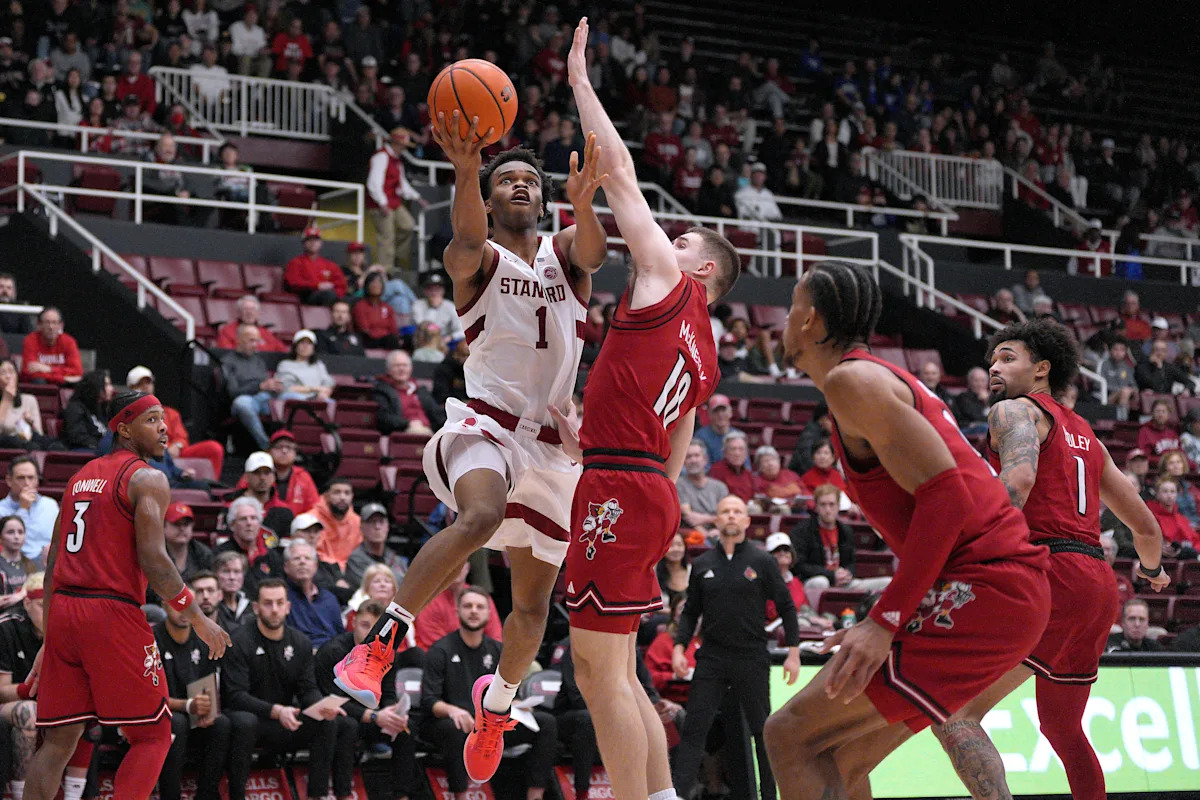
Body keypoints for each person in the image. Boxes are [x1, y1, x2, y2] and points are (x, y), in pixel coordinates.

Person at [333, 85, 609, 798]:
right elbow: (460, 242)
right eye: (504, 180)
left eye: (529, 181)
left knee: (532, 607)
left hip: (552, 449)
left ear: (544, 200)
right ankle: (381, 644)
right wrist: (464, 169)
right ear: (487, 200)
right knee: (480, 515)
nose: (519, 186)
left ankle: (498, 706)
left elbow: (595, 251)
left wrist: (584, 203)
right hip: (484, 423)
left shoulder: (566, 255)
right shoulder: (476, 261)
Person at [762, 261, 1052, 800]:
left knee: (788, 736)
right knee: (839, 759)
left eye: (792, 306)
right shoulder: (865, 380)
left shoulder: (853, 380)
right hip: (999, 587)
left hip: (988, 585)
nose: (783, 318)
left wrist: (884, 620)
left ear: (810, 320)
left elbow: (949, 497)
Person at [554, 20, 742, 800]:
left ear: (701, 269)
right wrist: (596, 447)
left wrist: (580, 83)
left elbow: (621, 170)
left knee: (597, 676)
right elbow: (673, 445)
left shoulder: (668, 278)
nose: (666, 238)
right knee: (621, 668)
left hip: (621, 491)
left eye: (682, 237)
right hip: (644, 487)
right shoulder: (708, 352)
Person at [917, 318, 1170, 800]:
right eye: (992, 359)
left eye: (1007, 357)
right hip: (1097, 586)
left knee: (954, 712)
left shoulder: (1013, 411)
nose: (994, 367)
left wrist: (964, 552)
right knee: (1062, 728)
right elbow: (1147, 530)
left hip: (1047, 573)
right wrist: (1153, 571)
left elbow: (1019, 480)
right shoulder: (1088, 437)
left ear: (1042, 369)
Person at [23, 391, 231, 800]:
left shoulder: (80, 477)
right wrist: (198, 618)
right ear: (124, 429)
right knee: (154, 734)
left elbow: (53, 564)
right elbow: (155, 561)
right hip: (110, 612)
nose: (164, 428)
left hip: (64, 610)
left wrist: (50, 637)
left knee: (59, 741)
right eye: (151, 419)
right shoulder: (147, 478)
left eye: (163, 418)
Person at [671, 496, 800, 799]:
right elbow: (690, 612)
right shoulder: (702, 564)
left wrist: (793, 653)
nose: (731, 516)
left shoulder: (762, 561)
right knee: (694, 730)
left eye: (737, 511)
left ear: (746, 520)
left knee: (762, 731)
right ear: (716, 520)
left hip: (751, 657)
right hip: (712, 658)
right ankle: (677, 794)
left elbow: (786, 606)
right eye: (725, 512)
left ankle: (769, 795)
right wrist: (679, 647)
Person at [416, 585, 559, 800]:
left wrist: (517, 704)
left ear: (489, 613)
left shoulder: (498, 650)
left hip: (490, 724)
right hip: (455, 722)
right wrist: (452, 711)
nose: (474, 611)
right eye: (468, 606)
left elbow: (509, 693)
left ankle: (535, 796)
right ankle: (461, 796)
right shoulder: (440, 650)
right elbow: (429, 700)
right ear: (457, 611)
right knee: (455, 729)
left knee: (545, 723)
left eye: (479, 607)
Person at [221, 579, 356, 800]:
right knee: (245, 722)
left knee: (330, 722)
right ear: (256, 607)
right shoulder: (239, 640)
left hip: (285, 718)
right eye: (268, 603)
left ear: (288, 607)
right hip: (251, 717)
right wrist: (276, 711)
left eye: (279, 603)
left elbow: (307, 689)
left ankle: (318, 795)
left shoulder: (300, 642)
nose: (274, 609)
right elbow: (235, 696)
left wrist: (321, 706)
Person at [0, 573, 94, 800]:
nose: (50, 613)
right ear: (27, 603)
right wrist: (35, 687)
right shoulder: (7, 628)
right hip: (13, 704)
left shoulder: (71, 628)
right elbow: (2, 691)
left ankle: (73, 795)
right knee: (28, 712)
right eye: (43, 606)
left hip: (52, 702)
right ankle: (21, 793)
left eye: (55, 607)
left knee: (83, 712)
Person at [153, 584, 252, 800]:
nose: (183, 611)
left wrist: (208, 708)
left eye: (188, 605)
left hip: (192, 712)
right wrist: (187, 705)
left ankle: (207, 794)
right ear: (163, 605)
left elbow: (208, 684)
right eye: (176, 605)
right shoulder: (151, 639)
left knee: (221, 723)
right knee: (177, 722)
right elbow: (146, 697)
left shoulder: (203, 639)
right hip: (159, 714)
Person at [314, 601, 420, 800]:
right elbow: (330, 698)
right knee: (348, 725)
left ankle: (402, 795)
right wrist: (372, 716)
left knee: (406, 728)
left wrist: (394, 712)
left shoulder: (386, 653)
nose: (370, 633)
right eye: (365, 625)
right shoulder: (333, 651)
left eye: (375, 628)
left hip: (374, 717)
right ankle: (344, 794)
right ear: (353, 622)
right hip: (340, 715)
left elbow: (388, 693)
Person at [790, 484, 892, 608]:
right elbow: (799, 566)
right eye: (823, 505)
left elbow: (851, 562)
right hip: (814, 581)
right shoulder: (802, 531)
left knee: (888, 582)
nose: (828, 509)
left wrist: (847, 574)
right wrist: (831, 575)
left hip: (842, 582)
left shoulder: (845, 531)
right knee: (821, 582)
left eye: (831, 504)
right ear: (816, 507)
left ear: (838, 506)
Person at [127, 366, 224, 479]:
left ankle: (212, 486)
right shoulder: (128, 416)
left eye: (148, 383)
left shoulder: (170, 413)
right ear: (131, 389)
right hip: (152, 456)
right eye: (139, 384)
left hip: (175, 452)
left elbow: (182, 438)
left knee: (214, 448)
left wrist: (177, 446)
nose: (145, 387)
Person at [224, 323, 305, 450]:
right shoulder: (228, 362)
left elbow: (265, 382)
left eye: (257, 341)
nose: (255, 344)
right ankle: (267, 446)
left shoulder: (258, 361)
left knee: (298, 398)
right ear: (239, 340)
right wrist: (260, 386)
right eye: (251, 340)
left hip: (266, 398)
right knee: (242, 403)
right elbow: (232, 392)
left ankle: (293, 446)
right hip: (248, 400)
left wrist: (274, 386)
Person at [366, 126, 428, 273]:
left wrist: (417, 197)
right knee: (386, 236)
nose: (404, 148)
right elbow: (373, 183)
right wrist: (382, 203)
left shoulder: (396, 161)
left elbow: (402, 183)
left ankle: (397, 259)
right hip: (380, 204)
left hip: (393, 202)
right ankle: (385, 269)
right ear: (396, 144)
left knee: (407, 225)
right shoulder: (381, 157)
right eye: (403, 145)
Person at [413, 562, 503, 650]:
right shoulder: (431, 600)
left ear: (467, 568)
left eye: (460, 564)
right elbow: (436, 647)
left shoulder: (480, 597)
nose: (456, 569)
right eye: (451, 564)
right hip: (439, 655)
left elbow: (496, 638)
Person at [282, 539, 343, 650]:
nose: (302, 562)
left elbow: (341, 636)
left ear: (315, 566)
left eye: (307, 558)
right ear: (286, 567)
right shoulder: (281, 598)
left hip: (331, 654)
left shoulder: (329, 598)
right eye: (297, 558)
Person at [0, 457, 58, 564]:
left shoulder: (50, 505)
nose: (27, 483)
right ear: (9, 480)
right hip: (13, 564)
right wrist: (23, 509)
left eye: (31, 478)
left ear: (37, 480)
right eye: (21, 478)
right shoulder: (1, 509)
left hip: (47, 564)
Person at [374, 350, 441, 436]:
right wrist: (407, 423)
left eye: (405, 365)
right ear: (389, 370)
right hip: (403, 433)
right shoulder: (382, 391)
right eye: (397, 366)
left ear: (410, 369)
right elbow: (384, 418)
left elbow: (438, 414)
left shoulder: (421, 391)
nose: (401, 369)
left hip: (430, 431)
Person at [229, 451, 294, 538]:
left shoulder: (284, 512)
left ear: (274, 476)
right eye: (256, 472)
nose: (262, 477)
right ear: (246, 477)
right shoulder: (231, 507)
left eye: (267, 473)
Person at [345, 503, 407, 588]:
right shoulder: (355, 560)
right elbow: (372, 589)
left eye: (381, 522)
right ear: (361, 527)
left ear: (387, 527)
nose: (377, 527)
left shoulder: (396, 559)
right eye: (372, 522)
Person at [676, 440, 728, 537]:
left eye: (697, 455)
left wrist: (709, 522)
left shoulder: (720, 487)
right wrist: (706, 535)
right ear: (683, 462)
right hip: (693, 535)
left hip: (719, 532)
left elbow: (726, 515)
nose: (693, 460)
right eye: (688, 457)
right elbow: (689, 516)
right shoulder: (679, 485)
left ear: (705, 459)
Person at [284, 228, 347, 306]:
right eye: (309, 240)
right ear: (303, 243)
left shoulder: (330, 265)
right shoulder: (295, 262)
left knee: (351, 300)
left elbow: (341, 284)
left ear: (321, 243)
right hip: (306, 297)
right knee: (328, 295)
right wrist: (317, 286)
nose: (313, 242)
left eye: (316, 240)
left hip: (331, 297)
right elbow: (293, 283)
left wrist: (337, 295)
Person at [20, 308, 81, 385]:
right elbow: (29, 371)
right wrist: (63, 379)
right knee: (38, 381)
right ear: (39, 325)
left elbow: (77, 371)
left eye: (54, 322)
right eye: (47, 322)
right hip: (40, 385)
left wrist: (49, 369)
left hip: (62, 385)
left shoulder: (69, 342)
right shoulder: (31, 340)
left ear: (61, 326)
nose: (51, 327)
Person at [310, 477, 361, 570]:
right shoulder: (311, 519)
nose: (342, 497)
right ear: (326, 495)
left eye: (347, 493)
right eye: (337, 492)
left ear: (352, 496)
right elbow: (313, 552)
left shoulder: (357, 521)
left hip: (351, 570)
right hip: (321, 568)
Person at [59, 370, 111, 452]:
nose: (111, 388)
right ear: (95, 386)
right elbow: (77, 437)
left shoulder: (102, 409)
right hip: (82, 451)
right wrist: (101, 445)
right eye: (106, 385)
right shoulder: (75, 408)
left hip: (100, 450)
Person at [275, 331, 334, 401]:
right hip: (293, 399)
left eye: (309, 343)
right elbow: (287, 388)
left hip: (316, 399)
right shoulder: (285, 365)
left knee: (330, 402)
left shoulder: (319, 365)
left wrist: (323, 393)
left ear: (313, 348)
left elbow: (328, 383)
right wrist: (315, 389)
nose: (305, 346)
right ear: (295, 346)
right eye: (302, 342)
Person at [1147, 476, 1200, 556]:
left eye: (1172, 492)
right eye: (1165, 491)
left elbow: (1195, 541)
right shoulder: (1150, 517)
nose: (1169, 495)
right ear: (1157, 494)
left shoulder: (1182, 519)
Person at [214, 296, 287, 352]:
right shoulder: (227, 331)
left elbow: (283, 352)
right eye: (245, 309)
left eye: (253, 309)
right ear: (239, 312)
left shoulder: (266, 333)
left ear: (258, 313)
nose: (249, 313)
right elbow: (226, 355)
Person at [352, 271, 403, 350]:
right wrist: (385, 335)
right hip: (369, 340)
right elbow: (364, 329)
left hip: (388, 339)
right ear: (367, 286)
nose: (377, 285)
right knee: (391, 340)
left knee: (408, 339)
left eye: (379, 282)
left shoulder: (387, 307)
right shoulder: (360, 306)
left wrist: (397, 338)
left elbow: (393, 329)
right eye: (373, 282)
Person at [707, 432, 763, 501]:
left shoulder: (748, 474)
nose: (737, 453)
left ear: (746, 453)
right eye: (733, 449)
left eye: (741, 449)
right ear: (725, 453)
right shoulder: (716, 471)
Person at [163, 502, 212, 581]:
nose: (182, 528)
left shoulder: (204, 554)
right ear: (163, 526)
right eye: (176, 524)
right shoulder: (154, 554)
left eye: (186, 524)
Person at [410, 273, 465, 343]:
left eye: (437, 289)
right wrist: (434, 308)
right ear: (425, 291)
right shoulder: (417, 305)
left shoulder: (450, 306)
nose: (434, 293)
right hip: (422, 340)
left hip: (445, 341)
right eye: (430, 289)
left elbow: (461, 330)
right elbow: (424, 329)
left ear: (443, 291)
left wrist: (450, 337)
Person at [693, 394, 742, 466]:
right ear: (709, 413)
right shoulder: (700, 436)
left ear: (730, 412)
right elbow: (702, 467)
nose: (720, 414)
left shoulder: (739, 437)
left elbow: (746, 467)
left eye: (723, 410)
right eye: (716, 411)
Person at [1095, 338, 1138, 421]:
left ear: (1125, 352)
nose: (1118, 353)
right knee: (1125, 391)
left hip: (1123, 396)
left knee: (1126, 392)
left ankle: (1122, 420)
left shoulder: (1127, 367)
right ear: (1110, 351)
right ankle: (1122, 421)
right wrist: (1119, 390)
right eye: (1115, 349)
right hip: (1105, 397)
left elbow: (1133, 385)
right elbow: (1097, 385)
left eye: (1122, 350)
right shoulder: (1103, 364)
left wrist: (1133, 390)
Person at [0, 516, 37, 609]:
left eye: (20, 532)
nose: (16, 537)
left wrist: (21, 594)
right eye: (10, 532)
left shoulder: (32, 564)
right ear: (1, 537)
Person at [213, 551, 253, 631]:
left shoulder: (250, 607)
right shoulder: (210, 606)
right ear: (216, 574)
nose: (232, 577)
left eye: (237, 571)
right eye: (226, 571)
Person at [952, 367, 991, 436]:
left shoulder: (992, 397)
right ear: (969, 382)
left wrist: (988, 401)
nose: (980, 384)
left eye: (983, 381)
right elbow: (976, 418)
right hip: (966, 429)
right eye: (976, 381)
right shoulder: (963, 397)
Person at [433, 339, 470, 407]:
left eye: (469, 356)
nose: (467, 359)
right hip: (451, 408)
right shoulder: (444, 369)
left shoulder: (478, 371)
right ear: (456, 355)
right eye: (463, 355)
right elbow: (442, 399)